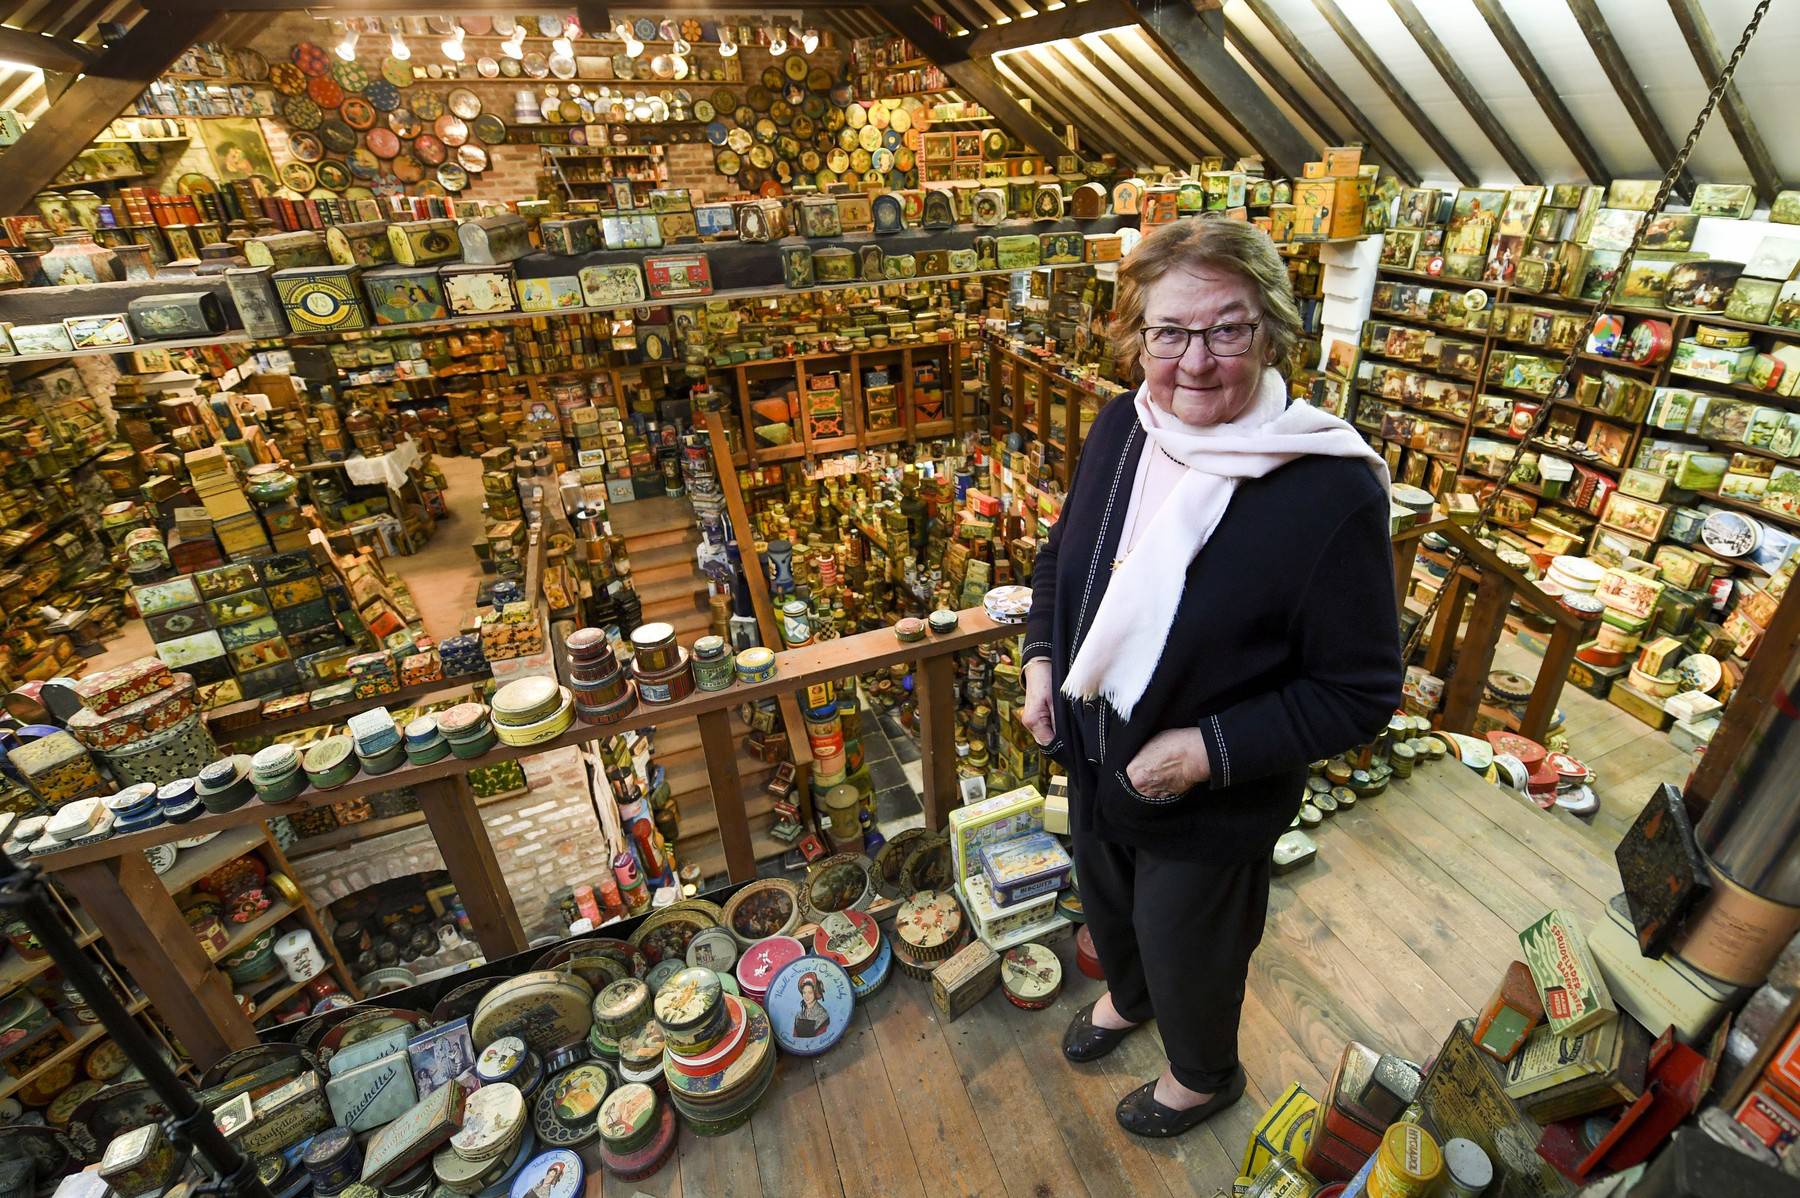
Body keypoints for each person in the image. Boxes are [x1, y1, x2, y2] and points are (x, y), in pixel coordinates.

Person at [1019, 218, 1402, 1139]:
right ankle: (1130, 999)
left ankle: (1203, 1076)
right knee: (1111, 907)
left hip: (1208, 799)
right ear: (1136, 337)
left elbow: (1359, 690)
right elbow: (1059, 560)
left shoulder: (1327, 488)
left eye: (1226, 330)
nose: (1194, 360)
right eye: (1168, 332)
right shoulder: (1122, 427)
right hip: (1092, 751)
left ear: (1272, 331)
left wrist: (1202, 753)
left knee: (1194, 946)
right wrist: (1041, 656)